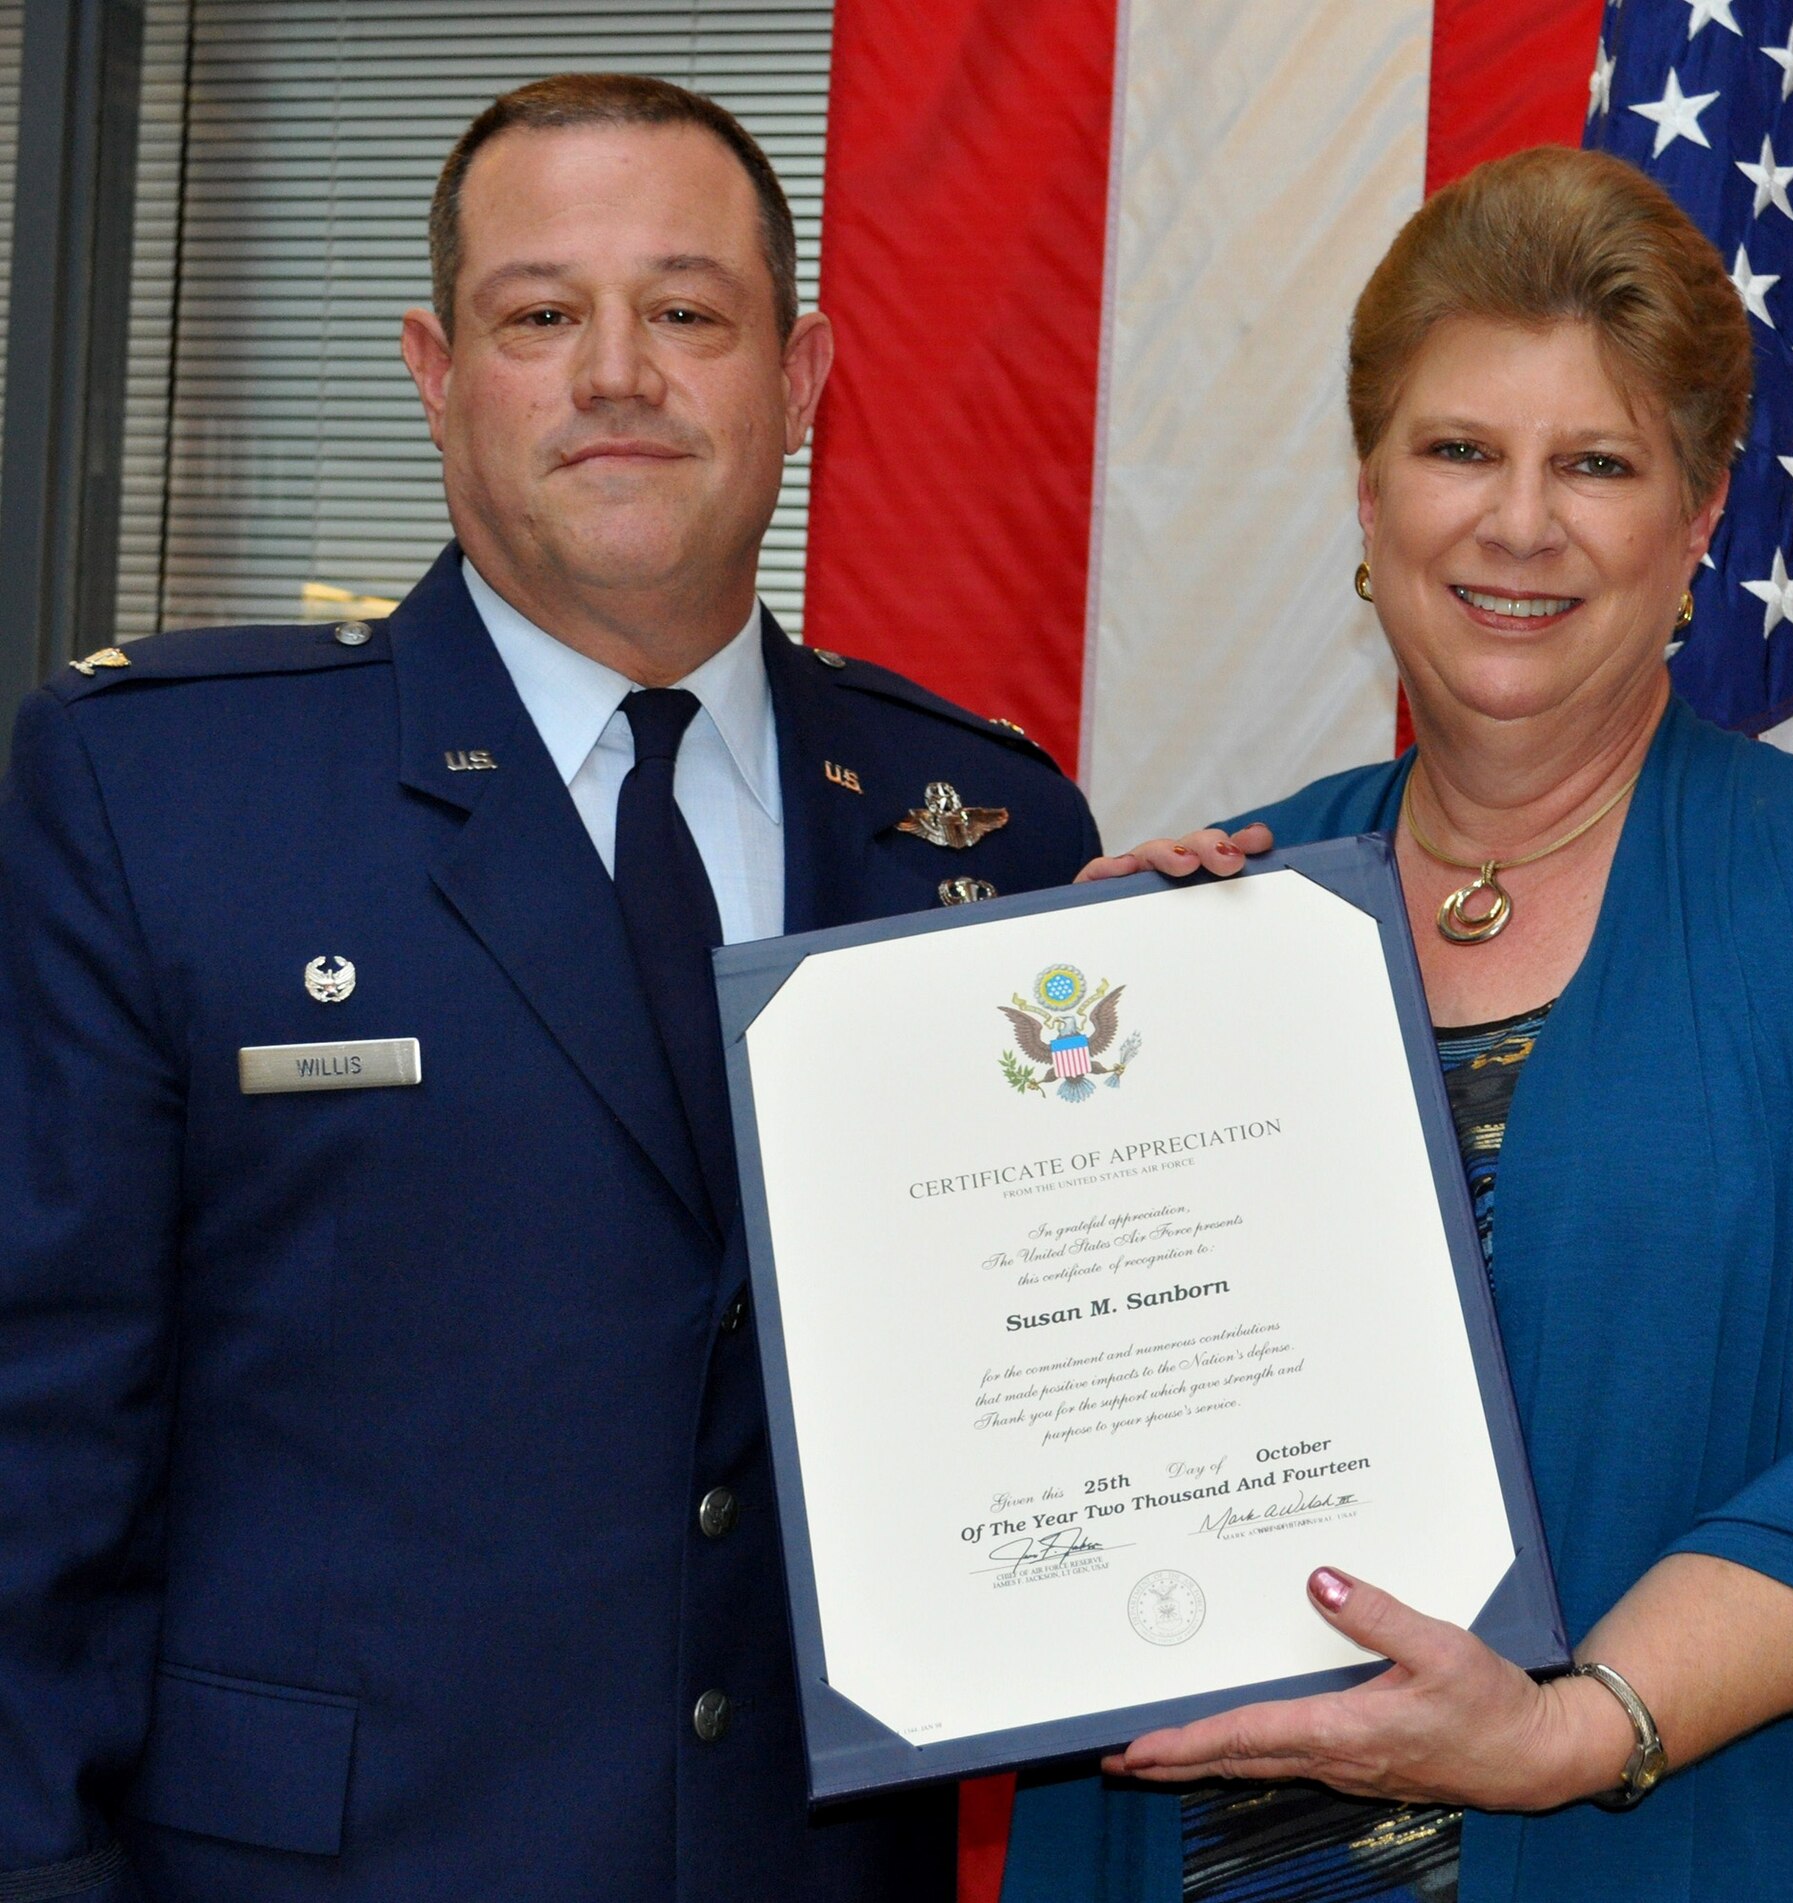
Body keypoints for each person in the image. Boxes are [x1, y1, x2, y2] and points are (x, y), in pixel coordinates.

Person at [0, 74, 1098, 1903]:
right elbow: (36, 1445)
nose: (616, 373)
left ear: (802, 376)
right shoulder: (162, 795)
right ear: (437, 373)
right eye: (540, 316)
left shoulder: (980, 828)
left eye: (686, 312)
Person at [1002, 145, 1793, 1903]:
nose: (1518, 523)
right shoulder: (1212, 913)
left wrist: (1572, 1726)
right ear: (1371, 493)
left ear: (1700, 524)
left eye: (1598, 464)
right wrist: (1027, 1078)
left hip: (1665, 1839)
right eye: (1460, 448)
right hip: (1178, 1855)